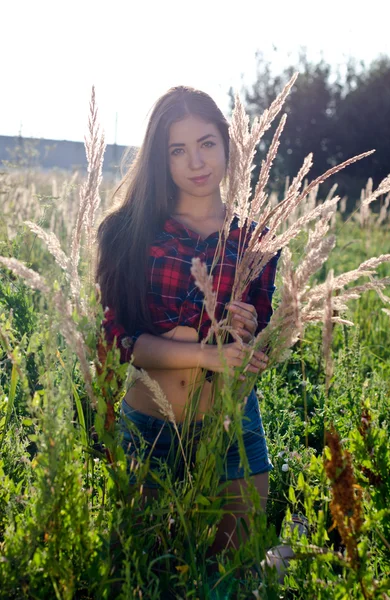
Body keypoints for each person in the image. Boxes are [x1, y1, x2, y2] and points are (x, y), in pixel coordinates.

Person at [96, 86, 280, 555]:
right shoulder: (127, 232)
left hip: (231, 427)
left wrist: (253, 329)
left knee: (238, 569)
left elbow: (266, 346)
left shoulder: (256, 238)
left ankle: (285, 552)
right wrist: (202, 355)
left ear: (226, 144)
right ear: (161, 158)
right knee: (146, 567)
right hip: (150, 431)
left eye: (206, 144)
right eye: (178, 150)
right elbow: (119, 340)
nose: (196, 162)